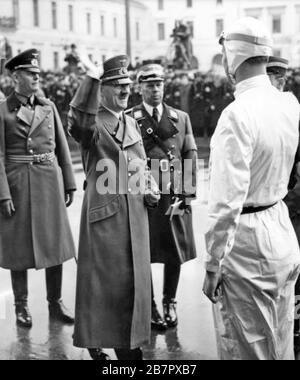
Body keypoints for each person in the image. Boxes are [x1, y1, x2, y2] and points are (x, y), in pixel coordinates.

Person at [203, 17, 300, 360]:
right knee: (282, 342)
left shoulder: (236, 114)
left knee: (248, 348)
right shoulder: (289, 104)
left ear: (233, 55)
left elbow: (225, 204)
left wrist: (213, 265)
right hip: (281, 228)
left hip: (247, 244)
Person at [68, 55, 160, 360]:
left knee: (132, 289)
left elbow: (139, 164)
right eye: (117, 86)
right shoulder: (93, 123)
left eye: (128, 85)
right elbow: (79, 121)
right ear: (103, 90)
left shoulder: (131, 121)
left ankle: (127, 348)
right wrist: (90, 80)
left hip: (135, 216)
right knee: (109, 290)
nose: (125, 90)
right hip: (107, 219)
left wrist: (150, 185)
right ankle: (111, 348)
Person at [0, 49, 76, 329]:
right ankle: (21, 306)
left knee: (54, 244)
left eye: (37, 74)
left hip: (48, 180)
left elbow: (61, 146)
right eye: (30, 74)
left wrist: (68, 181)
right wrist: (3, 193)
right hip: (18, 182)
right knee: (18, 247)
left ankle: (54, 303)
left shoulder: (48, 106)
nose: (36, 78)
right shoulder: (2, 110)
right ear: (15, 77)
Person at [127, 64, 197, 331]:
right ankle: (151, 305)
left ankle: (170, 301)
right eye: (149, 84)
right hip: (142, 195)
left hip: (174, 193)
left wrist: (187, 194)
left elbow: (189, 154)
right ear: (140, 87)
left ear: (164, 86)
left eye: (158, 84)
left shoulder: (180, 117)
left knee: (174, 250)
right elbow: (125, 159)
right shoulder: (129, 118)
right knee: (142, 251)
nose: (154, 89)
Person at [269, 56, 300, 360]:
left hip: (291, 200)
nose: (279, 83)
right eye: (273, 77)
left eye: (281, 78)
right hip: (272, 206)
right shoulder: (257, 113)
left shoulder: (293, 110)